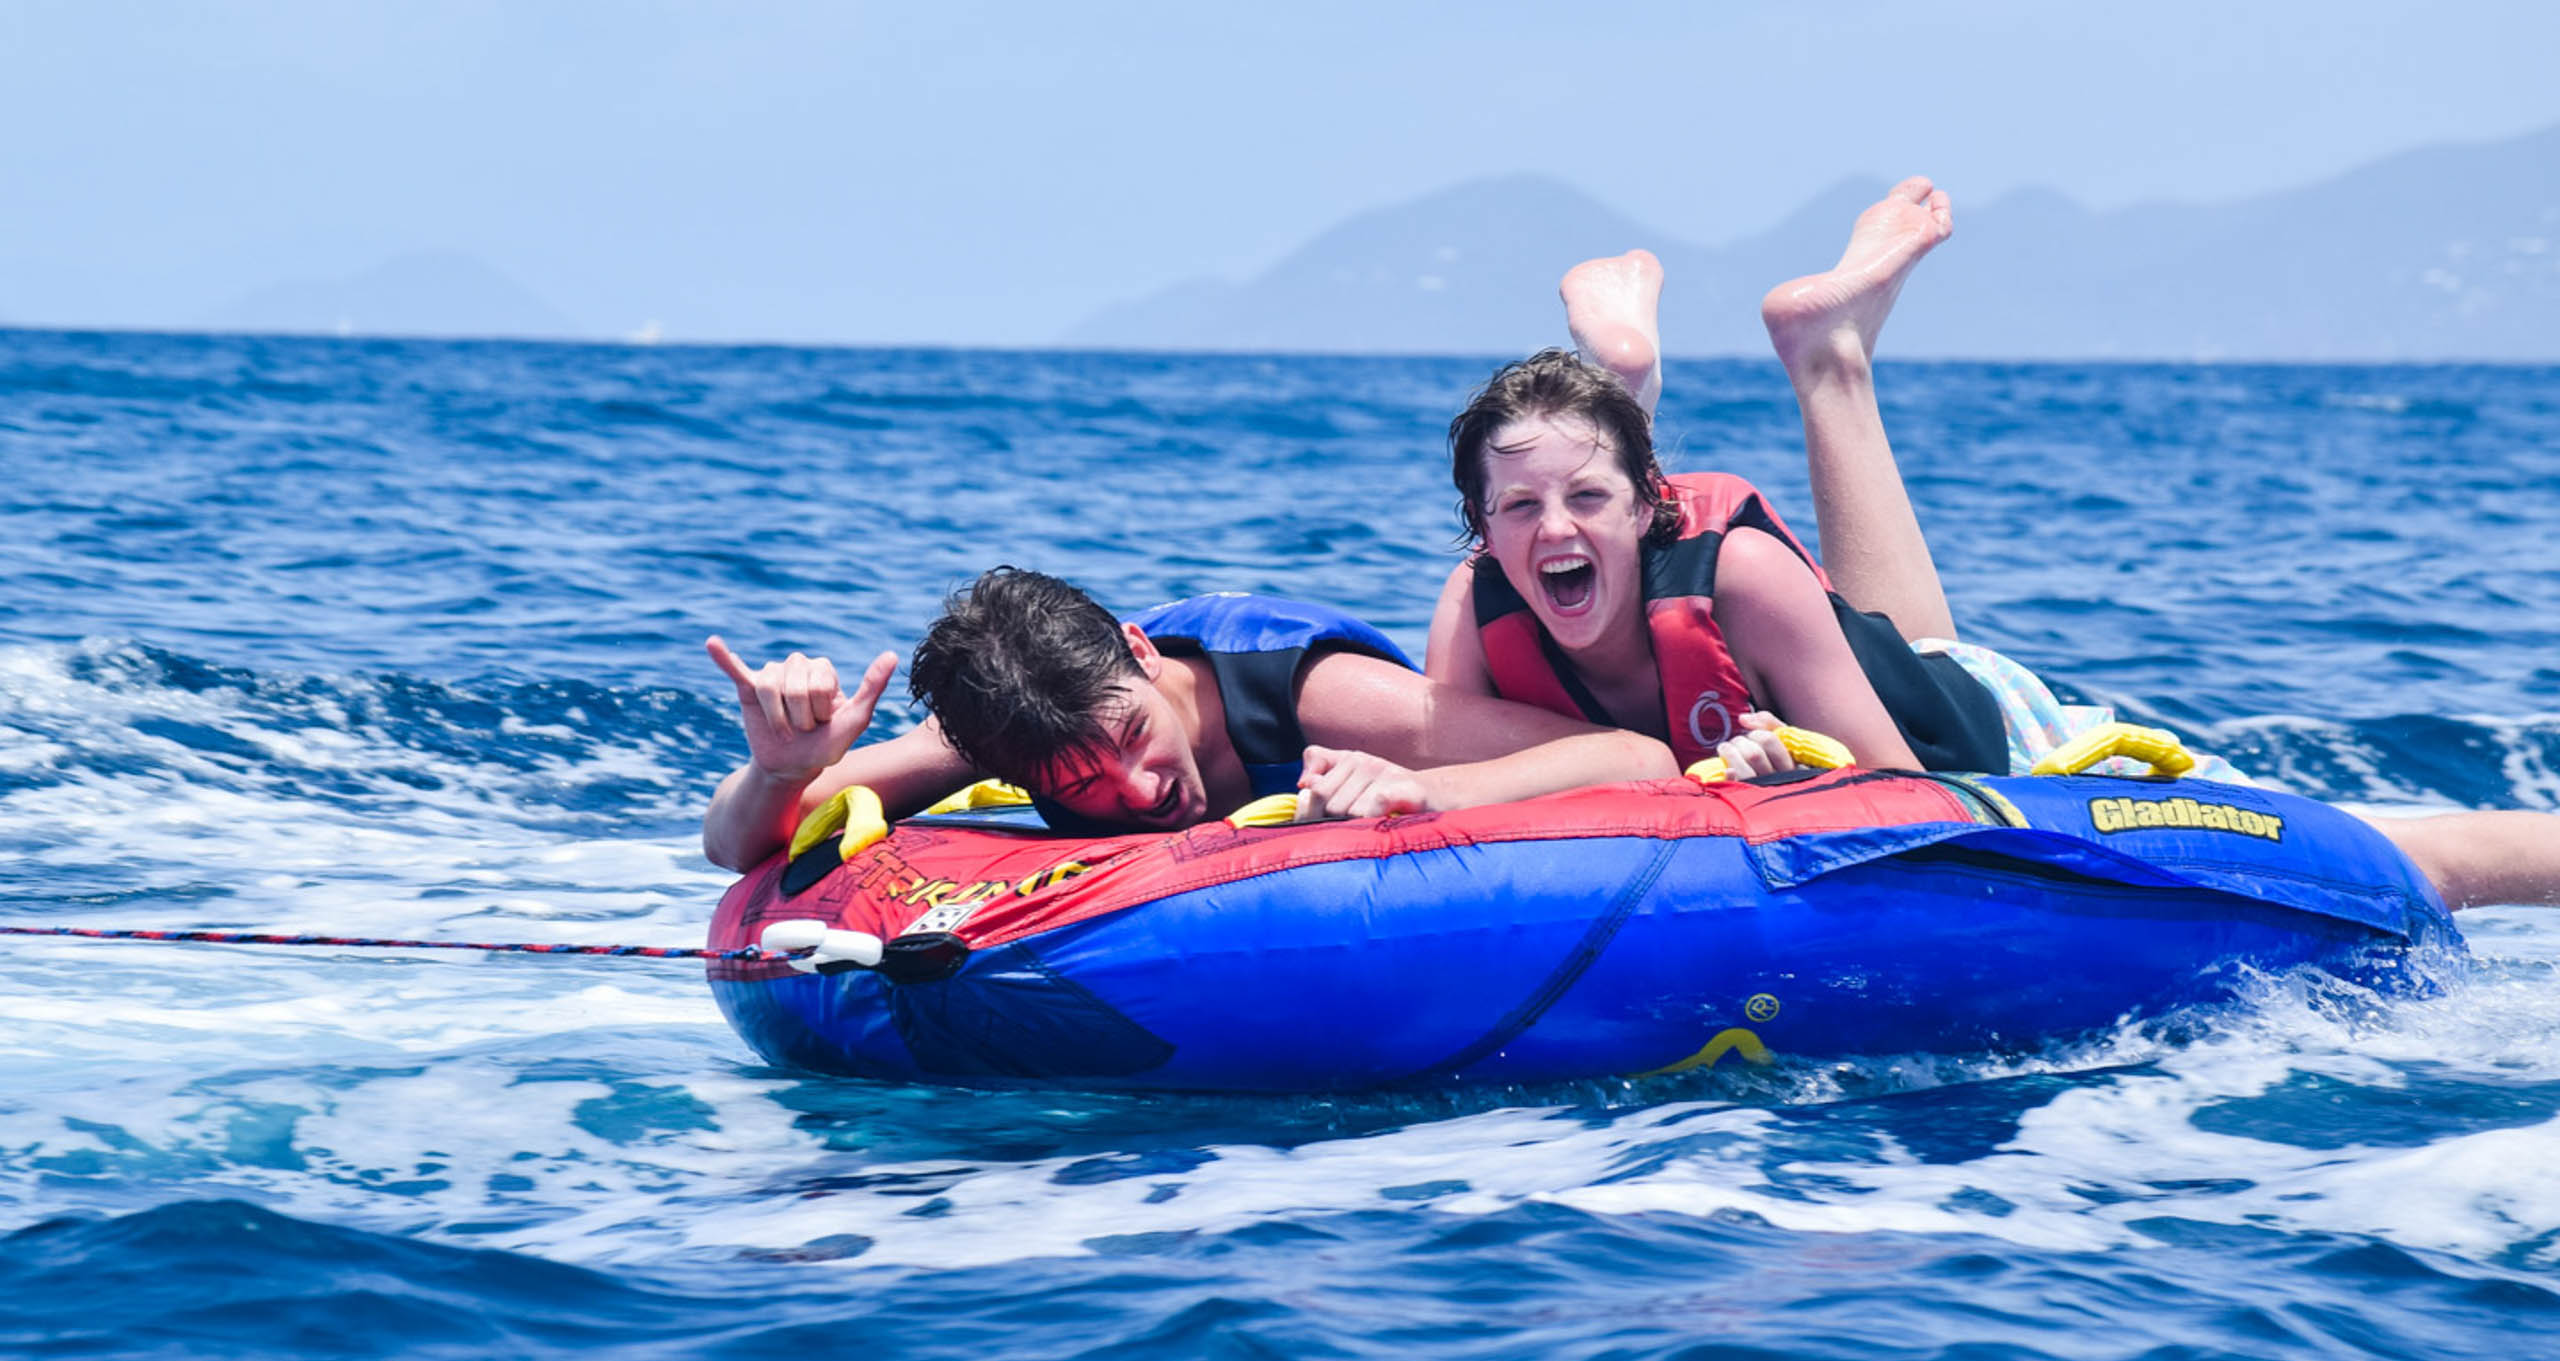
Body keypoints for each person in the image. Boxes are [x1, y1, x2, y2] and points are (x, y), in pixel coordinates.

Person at [1427, 178, 2560, 910]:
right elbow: (1473, 784)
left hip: (1976, 733)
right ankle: (1799, 360)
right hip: (1832, 656)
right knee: (1893, 632)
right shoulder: (1475, 614)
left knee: (2379, 861)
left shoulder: (1744, 579)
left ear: (1646, 503)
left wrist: (1788, 772)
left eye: (1584, 497)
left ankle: (1784, 367)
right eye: (1517, 508)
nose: (1550, 529)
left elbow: (1908, 795)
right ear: (1480, 527)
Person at [700, 570, 1676, 873]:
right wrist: (782, 769)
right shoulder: (1017, 731)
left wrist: (1423, 791)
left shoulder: (1318, 696)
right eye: (1083, 789)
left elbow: (1640, 755)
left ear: (1141, 650)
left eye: (1131, 739)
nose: (1138, 793)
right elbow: (735, 845)